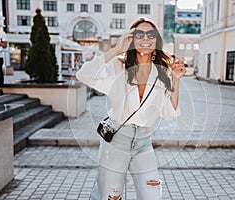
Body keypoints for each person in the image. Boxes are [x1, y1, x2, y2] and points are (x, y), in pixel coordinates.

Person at [76, 17, 185, 200]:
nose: (145, 38)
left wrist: (176, 79)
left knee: (152, 195)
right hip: (116, 140)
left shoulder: (162, 72)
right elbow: (84, 74)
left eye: (151, 34)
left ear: (156, 41)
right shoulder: (118, 66)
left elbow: (170, 111)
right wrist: (116, 49)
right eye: (139, 34)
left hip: (144, 142)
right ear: (131, 39)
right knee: (111, 196)